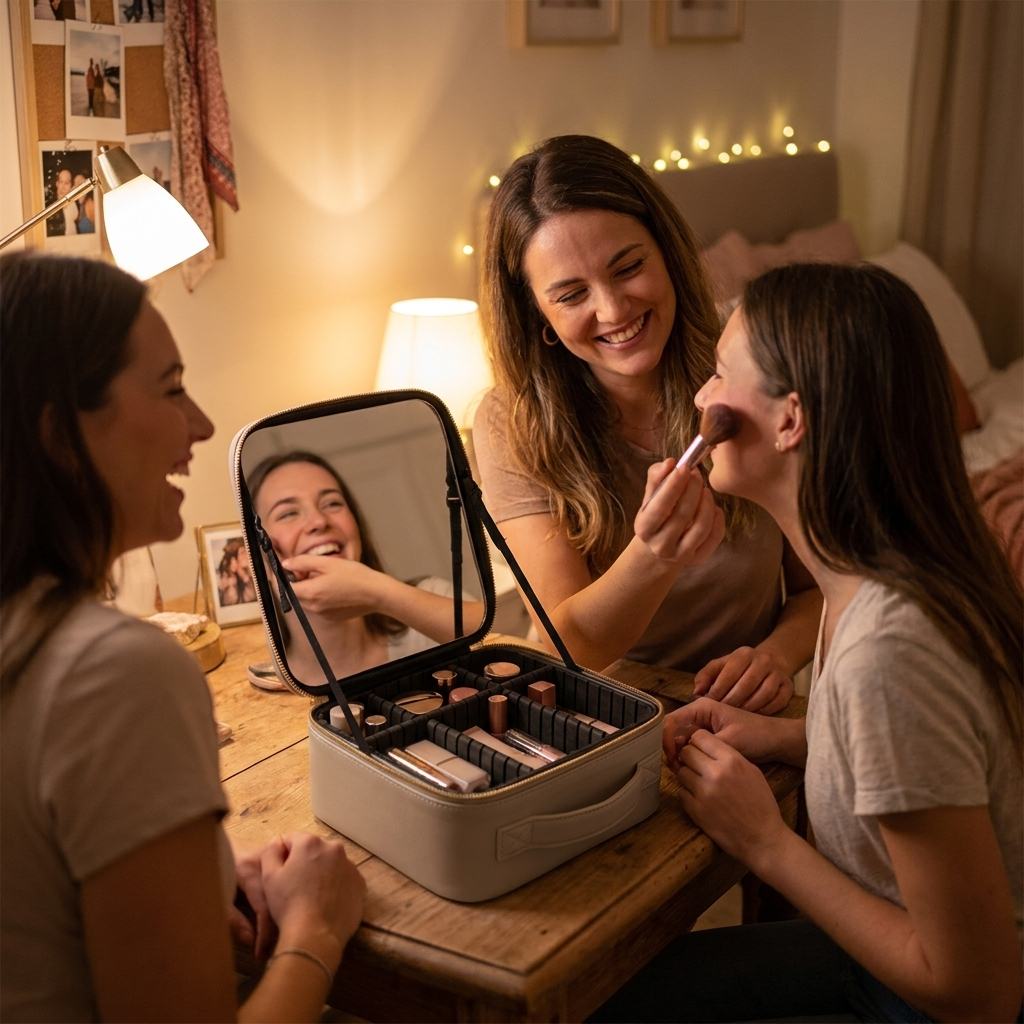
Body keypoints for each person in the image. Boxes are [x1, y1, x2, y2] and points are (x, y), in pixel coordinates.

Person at [590, 263, 1023, 1023]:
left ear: (791, 420)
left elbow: (980, 994)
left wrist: (765, 844)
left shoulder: (890, 654)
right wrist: (795, 737)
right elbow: (942, 759)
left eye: (720, 374)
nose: (698, 398)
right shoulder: (869, 576)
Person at [0, 252, 366, 1022]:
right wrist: (316, 928)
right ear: (61, 435)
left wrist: (194, 869)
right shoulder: (116, 672)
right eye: (170, 389)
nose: (200, 423)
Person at [475, 134, 820, 712]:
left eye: (628, 266)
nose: (613, 310)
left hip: (742, 712)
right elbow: (572, 647)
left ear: (667, 251)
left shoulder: (747, 361)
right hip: (600, 717)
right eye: (571, 294)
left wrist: (776, 657)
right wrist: (654, 556)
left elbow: (818, 585)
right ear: (538, 315)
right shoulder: (512, 421)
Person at [248, 451, 486, 683]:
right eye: (288, 513)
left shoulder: (434, 595)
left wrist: (380, 595)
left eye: (332, 503)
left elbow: (501, 650)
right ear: (255, 551)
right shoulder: (271, 686)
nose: (319, 522)